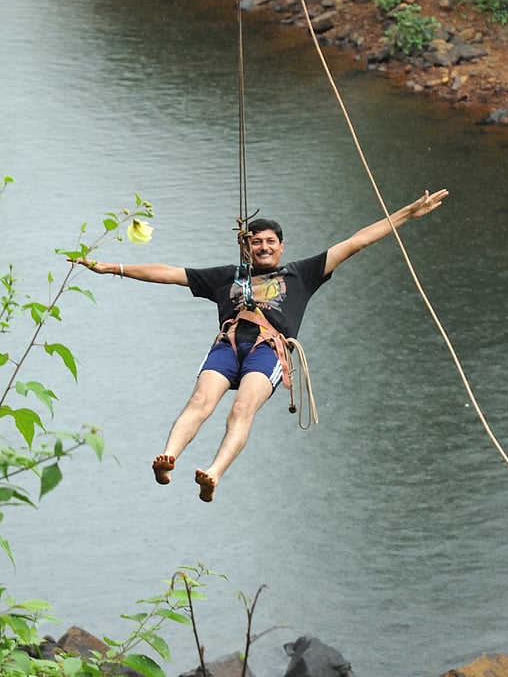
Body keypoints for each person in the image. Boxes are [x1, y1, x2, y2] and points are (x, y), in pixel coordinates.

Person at [72, 188, 448, 502]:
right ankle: (168, 457)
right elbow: (170, 274)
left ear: (281, 247)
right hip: (228, 345)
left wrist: (407, 213)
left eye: (270, 242)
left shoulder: (302, 274)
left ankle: (214, 473)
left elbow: (356, 242)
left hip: (268, 351)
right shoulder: (227, 277)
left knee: (242, 408)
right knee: (201, 401)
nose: (263, 247)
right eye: (256, 242)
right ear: (246, 247)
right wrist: (113, 268)